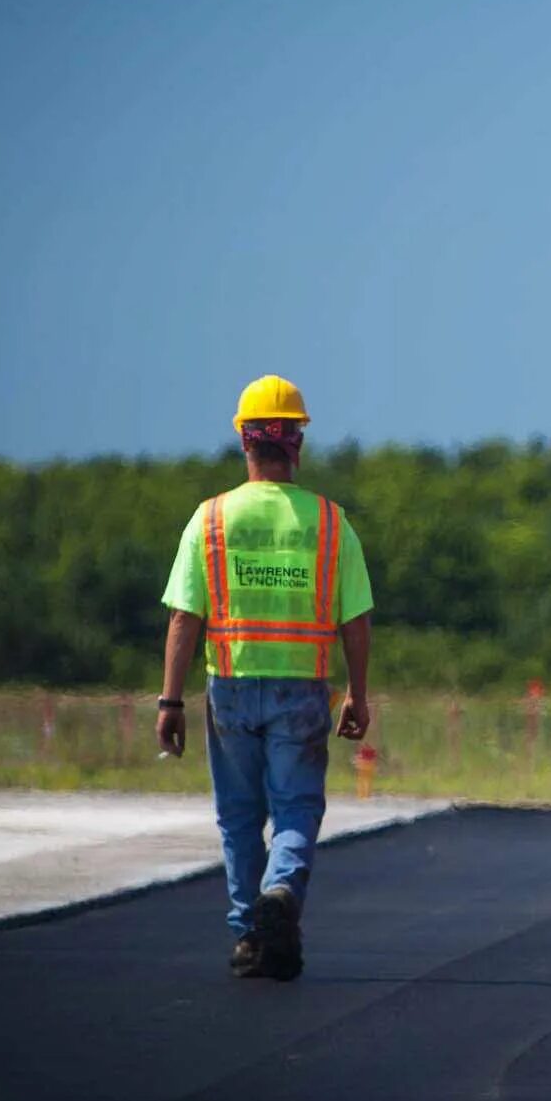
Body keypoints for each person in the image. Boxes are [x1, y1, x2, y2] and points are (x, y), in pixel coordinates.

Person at [156, 376, 374, 981]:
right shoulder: (331, 524)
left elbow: (184, 616)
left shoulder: (211, 519)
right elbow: (355, 619)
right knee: (297, 809)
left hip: (229, 686)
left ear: (244, 441)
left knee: (238, 816)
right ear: (296, 441)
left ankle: (251, 933)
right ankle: (281, 892)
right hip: (302, 688)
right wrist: (357, 692)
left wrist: (169, 700)